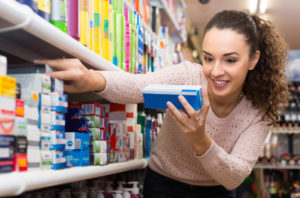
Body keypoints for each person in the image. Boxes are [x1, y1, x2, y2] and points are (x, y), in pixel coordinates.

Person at [34, 10, 289, 198]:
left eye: (230, 60)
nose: (215, 71)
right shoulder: (189, 76)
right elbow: (136, 87)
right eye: (209, 58)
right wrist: (91, 78)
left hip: (217, 191)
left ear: (253, 59)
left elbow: (234, 177)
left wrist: (201, 140)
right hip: (163, 185)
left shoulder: (260, 110)